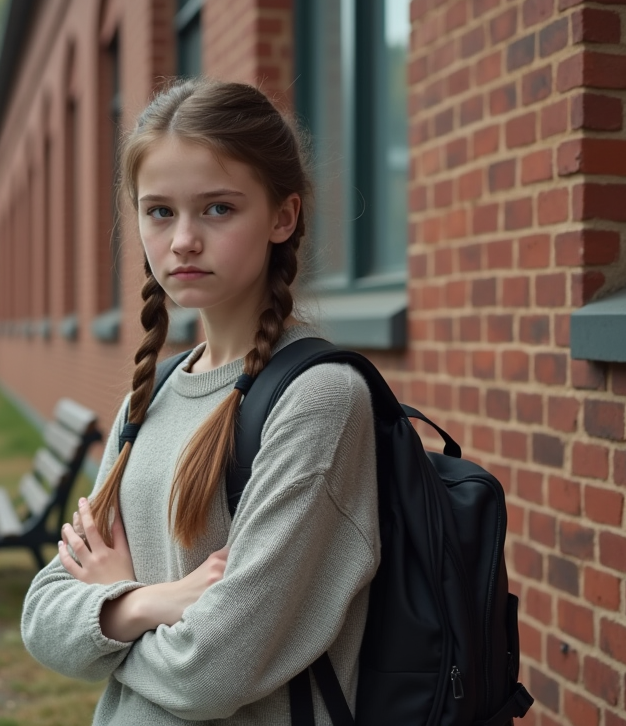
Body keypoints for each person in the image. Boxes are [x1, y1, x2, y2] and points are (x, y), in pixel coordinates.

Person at [20, 80, 379, 725]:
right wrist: (150, 603)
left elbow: (213, 669)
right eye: (159, 211)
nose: (183, 239)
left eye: (217, 209)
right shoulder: (152, 391)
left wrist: (108, 610)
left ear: (283, 216)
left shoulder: (317, 399)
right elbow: (42, 615)